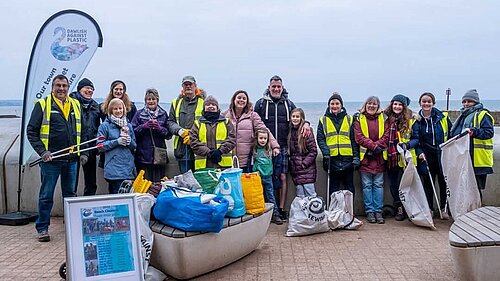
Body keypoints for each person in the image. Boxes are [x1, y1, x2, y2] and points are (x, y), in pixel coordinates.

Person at [27, 74, 83, 242]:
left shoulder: (75, 104)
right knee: (46, 195)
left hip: (71, 159)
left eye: (64, 86)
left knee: (70, 195)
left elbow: (81, 130)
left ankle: (71, 226)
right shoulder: (43, 104)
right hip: (51, 160)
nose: (61, 89)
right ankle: (42, 228)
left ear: (68, 87)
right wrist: (42, 152)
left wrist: (82, 153)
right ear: (53, 87)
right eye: (58, 85)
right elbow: (31, 132)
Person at [254, 75, 311, 220]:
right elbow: (254, 123)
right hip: (265, 147)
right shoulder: (260, 104)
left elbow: (299, 118)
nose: (276, 89)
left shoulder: (289, 104)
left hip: (284, 147)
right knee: (265, 178)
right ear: (269, 87)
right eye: (273, 86)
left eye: (278, 86)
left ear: (282, 87)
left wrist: (307, 124)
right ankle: (267, 210)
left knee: (283, 177)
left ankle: (281, 209)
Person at [450, 89, 494, 200]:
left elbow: (489, 132)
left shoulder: (483, 115)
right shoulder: (462, 116)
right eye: (464, 101)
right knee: (465, 188)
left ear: (476, 102)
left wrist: (473, 132)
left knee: (475, 189)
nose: (466, 104)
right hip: (464, 157)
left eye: (469, 101)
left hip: (478, 159)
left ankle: (476, 211)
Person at [414, 92, 452, 218]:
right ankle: (429, 208)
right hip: (426, 156)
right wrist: (419, 153)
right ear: (420, 103)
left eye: (429, 101)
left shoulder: (443, 118)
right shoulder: (416, 121)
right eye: (424, 101)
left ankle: (444, 208)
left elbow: (451, 135)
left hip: (442, 154)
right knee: (428, 184)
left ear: (433, 103)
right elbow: (415, 139)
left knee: (443, 182)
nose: (426, 104)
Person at [222, 90, 280, 173]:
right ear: (234, 100)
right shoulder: (224, 115)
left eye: (244, 98)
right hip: (227, 158)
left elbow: (264, 130)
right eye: (239, 98)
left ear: (247, 102)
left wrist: (275, 146)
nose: (241, 100)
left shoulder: (252, 115)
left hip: (247, 160)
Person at [353, 96, 389, 224]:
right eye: (369, 103)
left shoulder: (384, 118)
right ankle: (369, 211)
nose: (372, 106)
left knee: (378, 185)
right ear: (365, 104)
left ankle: (378, 211)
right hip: (365, 158)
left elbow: (386, 135)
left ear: (378, 106)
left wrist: (377, 146)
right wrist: (374, 146)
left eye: (374, 104)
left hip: (379, 158)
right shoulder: (358, 118)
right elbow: (359, 137)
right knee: (367, 186)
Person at [317, 93, 360, 198]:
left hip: (347, 158)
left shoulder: (349, 119)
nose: (334, 106)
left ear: (341, 105)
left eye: (337, 103)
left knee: (349, 186)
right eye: (332, 103)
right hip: (332, 158)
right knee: (333, 187)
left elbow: (354, 140)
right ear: (329, 105)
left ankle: (349, 211)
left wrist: (356, 157)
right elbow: (320, 138)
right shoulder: (323, 120)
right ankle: (334, 211)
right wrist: (326, 153)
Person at [384, 94, 419, 221]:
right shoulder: (386, 119)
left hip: (406, 158)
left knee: (408, 186)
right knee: (394, 185)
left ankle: (410, 210)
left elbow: (416, 139)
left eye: (400, 104)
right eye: (395, 104)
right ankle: (399, 208)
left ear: (404, 107)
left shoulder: (411, 120)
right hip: (391, 158)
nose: (397, 107)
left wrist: (407, 145)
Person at [131, 88, 177, 182]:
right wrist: (144, 127)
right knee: (143, 185)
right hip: (143, 156)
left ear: (157, 100)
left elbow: (168, 135)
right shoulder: (139, 114)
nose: (151, 101)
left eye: (153, 99)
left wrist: (160, 129)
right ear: (145, 101)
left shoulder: (163, 114)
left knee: (159, 184)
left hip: (159, 156)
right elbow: (132, 133)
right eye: (149, 99)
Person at [97, 98, 137, 194]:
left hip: (128, 168)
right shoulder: (104, 126)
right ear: (111, 110)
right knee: (116, 198)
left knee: (128, 199)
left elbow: (134, 146)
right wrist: (117, 142)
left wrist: (129, 141)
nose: (118, 111)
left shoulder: (128, 125)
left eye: (120, 108)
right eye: (115, 109)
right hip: (114, 169)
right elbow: (100, 146)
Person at [70, 78, 100, 196]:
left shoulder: (95, 106)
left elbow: (98, 127)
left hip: (91, 148)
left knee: (91, 182)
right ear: (79, 89)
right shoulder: (71, 103)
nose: (89, 90)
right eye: (87, 88)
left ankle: (87, 207)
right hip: (74, 149)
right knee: (71, 183)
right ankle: (71, 208)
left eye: (91, 89)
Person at [169, 75, 205, 173]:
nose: (188, 86)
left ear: (195, 86)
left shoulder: (203, 102)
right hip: (182, 148)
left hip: (199, 148)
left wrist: (193, 135)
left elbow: (208, 123)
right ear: (182, 87)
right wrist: (180, 131)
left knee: (200, 180)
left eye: (190, 84)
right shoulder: (176, 103)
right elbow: (170, 122)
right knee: (185, 181)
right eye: (186, 85)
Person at [190, 95, 236, 170]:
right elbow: (193, 142)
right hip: (204, 166)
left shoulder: (226, 122)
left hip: (223, 165)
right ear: (204, 108)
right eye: (208, 104)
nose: (211, 106)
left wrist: (220, 151)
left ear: (217, 108)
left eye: (213, 104)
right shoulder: (197, 123)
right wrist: (208, 152)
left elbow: (232, 139)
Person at [99, 80, 137, 168]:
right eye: (116, 89)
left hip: (126, 149)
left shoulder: (131, 107)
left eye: (121, 89)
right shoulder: (102, 107)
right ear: (112, 90)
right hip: (110, 150)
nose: (118, 91)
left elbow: (133, 128)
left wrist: (129, 140)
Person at [250, 129, 283, 224]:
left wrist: (275, 174)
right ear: (257, 138)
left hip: (268, 176)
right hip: (257, 176)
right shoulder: (254, 150)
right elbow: (251, 163)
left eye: (265, 138)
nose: (263, 140)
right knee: (259, 196)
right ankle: (261, 216)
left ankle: (275, 214)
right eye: (261, 138)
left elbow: (276, 163)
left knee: (270, 196)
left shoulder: (270, 150)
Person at [288, 108, 318, 198]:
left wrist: (304, 164)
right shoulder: (291, 131)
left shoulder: (306, 132)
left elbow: (313, 151)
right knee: (300, 197)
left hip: (307, 170)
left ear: (302, 118)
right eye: (293, 116)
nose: (295, 118)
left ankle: (314, 212)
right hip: (296, 171)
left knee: (311, 195)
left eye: (297, 116)